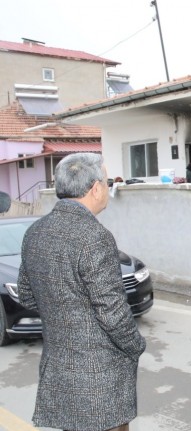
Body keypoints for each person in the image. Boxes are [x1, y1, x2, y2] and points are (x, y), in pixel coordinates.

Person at [17, 153, 146, 431]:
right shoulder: (94, 236)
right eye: (107, 181)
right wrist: (136, 346)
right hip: (99, 380)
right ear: (96, 188)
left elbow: (27, 296)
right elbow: (113, 313)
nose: (108, 189)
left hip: (60, 370)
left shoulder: (35, 232)